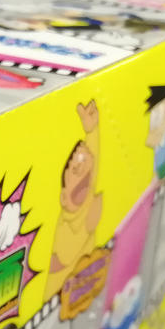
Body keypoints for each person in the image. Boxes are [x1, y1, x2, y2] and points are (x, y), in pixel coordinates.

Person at [44, 100, 104, 299]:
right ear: (63, 197)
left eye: (84, 168)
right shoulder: (67, 224)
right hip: (56, 299)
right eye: (76, 170)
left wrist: (92, 131)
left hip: (82, 291)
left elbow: (92, 166)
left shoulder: (85, 208)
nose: (83, 173)